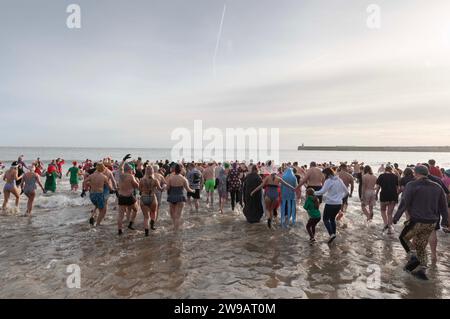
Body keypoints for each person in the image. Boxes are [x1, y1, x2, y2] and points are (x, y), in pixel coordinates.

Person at [393, 165, 448, 280]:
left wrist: (396, 217)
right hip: (432, 222)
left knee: (403, 238)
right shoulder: (437, 186)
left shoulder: (412, 185)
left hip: (417, 221)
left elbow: (404, 202)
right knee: (421, 245)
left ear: (416, 173)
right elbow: (444, 206)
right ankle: (422, 272)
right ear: (427, 173)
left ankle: (413, 258)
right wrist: (445, 221)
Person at [313, 168, 349, 244]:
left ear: (327, 174)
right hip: (338, 204)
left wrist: (313, 193)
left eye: (324, 174)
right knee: (332, 219)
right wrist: (340, 198)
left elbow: (322, 191)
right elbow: (346, 192)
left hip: (330, 204)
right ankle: (334, 234)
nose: (323, 176)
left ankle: (331, 234)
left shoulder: (329, 181)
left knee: (325, 219)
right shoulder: (339, 180)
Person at [166, 163, 194, 231]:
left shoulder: (170, 178)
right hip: (180, 197)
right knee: (178, 216)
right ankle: (176, 230)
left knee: (172, 215)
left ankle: (174, 226)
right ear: (180, 170)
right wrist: (193, 191)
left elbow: (167, 188)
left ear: (174, 170)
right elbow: (188, 189)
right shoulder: (183, 179)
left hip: (171, 197)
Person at [117, 155, 139, 235]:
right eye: (131, 169)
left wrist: (123, 159)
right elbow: (137, 186)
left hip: (121, 197)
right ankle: (130, 223)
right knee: (136, 209)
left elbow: (120, 167)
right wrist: (138, 182)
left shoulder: (120, 175)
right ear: (129, 170)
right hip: (129, 197)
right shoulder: (131, 176)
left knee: (120, 215)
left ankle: (119, 230)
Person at [375, 165, 399, 234]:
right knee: (390, 213)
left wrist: (376, 194)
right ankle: (390, 228)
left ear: (385, 170)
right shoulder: (395, 176)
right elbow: (397, 188)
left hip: (384, 195)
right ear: (392, 170)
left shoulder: (381, 176)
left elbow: (378, 187)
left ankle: (385, 224)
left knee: (383, 210)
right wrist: (396, 196)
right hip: (393, 196)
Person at [139, 166, 163, 236]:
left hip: (143, 197)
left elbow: (139, 189)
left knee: (146, 217)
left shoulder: (142, 180)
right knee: (153, 212)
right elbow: (160, 189)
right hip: (152, 197)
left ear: (145, 171)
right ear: (152, 171)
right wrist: (164, 186)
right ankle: (152, 226)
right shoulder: (155, 180)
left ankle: (146, 233)